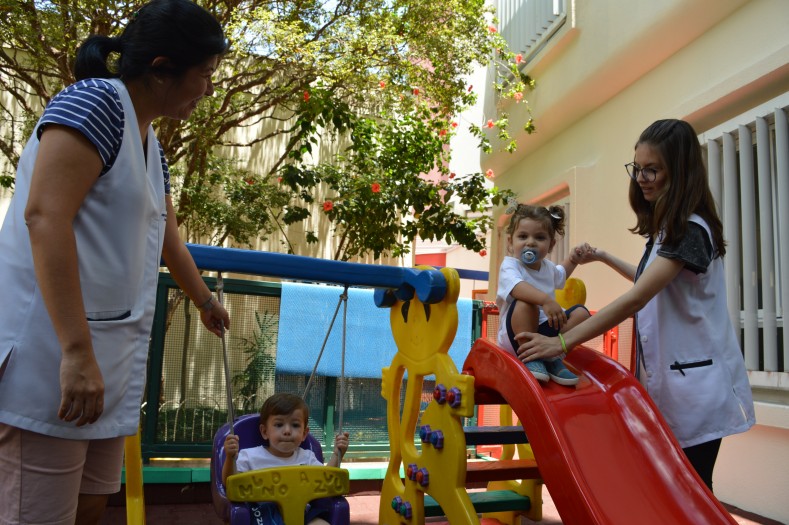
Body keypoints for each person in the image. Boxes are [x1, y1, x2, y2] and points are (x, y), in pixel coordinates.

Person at [0, 1, 230, 523]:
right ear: (162, 67)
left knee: (90, 505)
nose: (209, 89)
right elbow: (44, 217)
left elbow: (165, 231)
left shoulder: (150, 142)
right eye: (205, 75)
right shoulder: (95, 103)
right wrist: (76, 352)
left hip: (107, 363)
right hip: (53, 357)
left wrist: (203, 298)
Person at [516, 119, 755, 491]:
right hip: (678, 380)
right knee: (677, 490)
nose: (641, 178)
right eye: (637, 168)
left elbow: (639, 297)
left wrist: (562, 343)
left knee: (692, 492)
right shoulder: (666, 230)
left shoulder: (690, 229)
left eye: (652, 169)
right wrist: (606, 257)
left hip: (697, 386)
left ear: (680, 171)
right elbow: (648, 283)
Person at [496, 204, 591, 386]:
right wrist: (546, 300)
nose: (530, 242)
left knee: (582, 314)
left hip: (546, 334)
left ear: (551, 245)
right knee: (525, 303)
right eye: (523, 236)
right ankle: (531, 356)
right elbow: (516, 287)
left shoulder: (547, 267)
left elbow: (561, 274)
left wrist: (574, 259)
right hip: (517, 336)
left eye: (539, 237)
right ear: (510, 242)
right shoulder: (510, 266)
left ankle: (552, 355)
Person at [222, 393, 350, 525]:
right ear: (265, 431)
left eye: (295, 425)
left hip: (302, 514)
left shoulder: (307, 457)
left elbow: (326, 482)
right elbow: (230, 483)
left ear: (304, 433)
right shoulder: (250, 456)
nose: (287, 431)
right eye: (279, 425)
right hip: (262, 515)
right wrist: (230, 458)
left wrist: (336, 455)